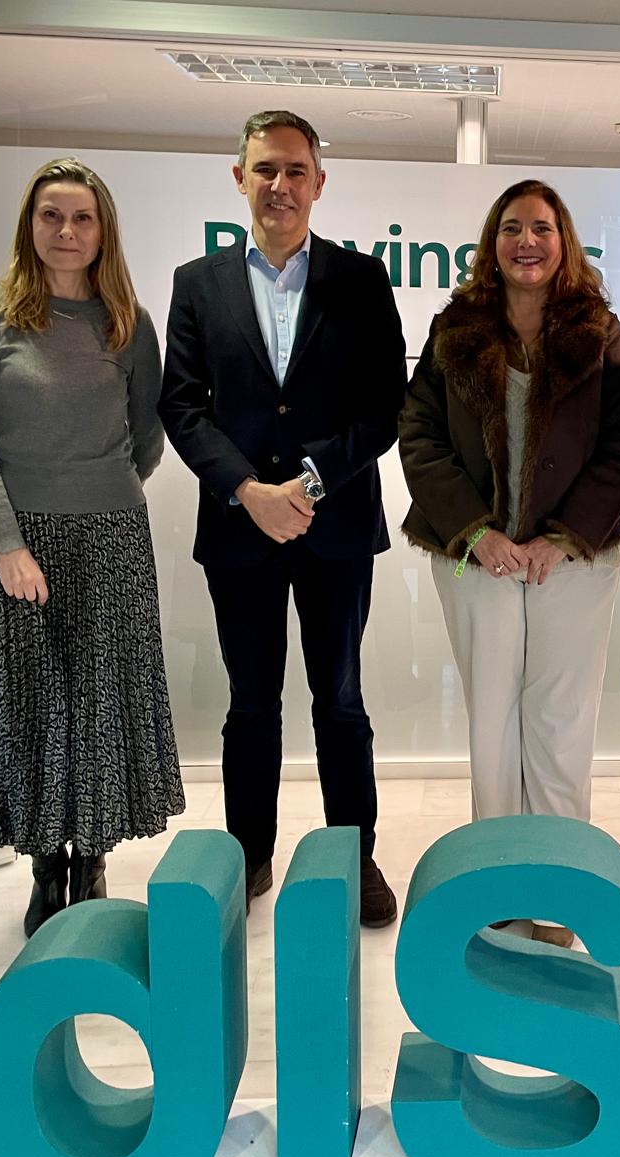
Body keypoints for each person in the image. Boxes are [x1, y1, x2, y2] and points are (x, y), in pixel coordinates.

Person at [159, 111, 405, 926]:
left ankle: (354, 853)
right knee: (249, 703)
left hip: (335, 527)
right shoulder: (197, 283)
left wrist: (308, 481)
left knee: (341, 699)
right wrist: (248, 489)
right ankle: (250, 852)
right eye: (265, 168)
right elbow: (182, 405)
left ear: (318, 183)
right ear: (240, 178)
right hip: (240, 529)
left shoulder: (361, 279)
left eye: (296, 170)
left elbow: (385, 405)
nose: (280, 185)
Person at [399, 180, 620, 947]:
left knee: (560, 726)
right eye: (512, 227)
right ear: (493, 242)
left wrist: (564, 535)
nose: (527, 242)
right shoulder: (456, 328)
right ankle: (500, 892)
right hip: (478, 559)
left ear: (563, 240)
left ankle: (560, 894)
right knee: (493, 726)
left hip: (572, 561)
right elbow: (419, 435)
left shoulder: (598, 331)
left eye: (541, 228)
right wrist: (476, 532)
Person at [0, 157, 184, 938]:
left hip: (112, 535)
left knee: (102, 702)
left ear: (103, 230)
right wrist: (8, 540)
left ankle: (95, 859)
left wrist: (103, 490)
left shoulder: (127, 321)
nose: (67, 231)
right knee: (33, 702)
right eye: (51, 215)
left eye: (83, 217)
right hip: (20, 540)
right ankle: (47, 865)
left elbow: (147, 434)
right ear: (30, 224)